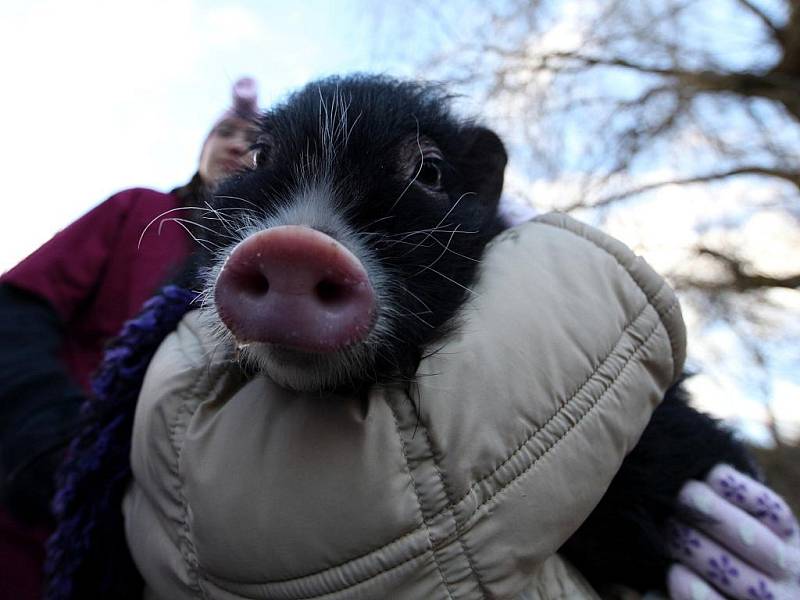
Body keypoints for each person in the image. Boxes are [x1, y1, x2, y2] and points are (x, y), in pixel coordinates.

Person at [0, 77, 262, 600]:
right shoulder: (139, 212)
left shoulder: (276, 264)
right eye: (225, 131)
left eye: (258, 142)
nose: (237, 144)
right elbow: (15, 309)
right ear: (202, 148)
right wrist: (47, 438)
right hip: (35, 531)